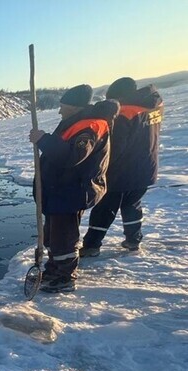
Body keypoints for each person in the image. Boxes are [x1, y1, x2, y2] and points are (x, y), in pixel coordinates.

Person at [29, 84, 118, 293]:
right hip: (60, 190)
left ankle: (64, 278)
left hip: (71, 191)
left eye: (63, 106)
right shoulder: (76, 122)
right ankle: (54, 269)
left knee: (63, 237)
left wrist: (43, 140)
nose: (60, 111)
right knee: (53, 235)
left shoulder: (90, 127)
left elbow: (72, 156)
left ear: (74, 106)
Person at [80, 77, 164, 255]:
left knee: (105, 207)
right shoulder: (154, 104)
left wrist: (100, 165)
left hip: (122, 170)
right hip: (147, 166)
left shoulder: (124, 112)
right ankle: (134, 240)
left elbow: (116, 146)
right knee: (132, 204)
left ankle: (92, 245)